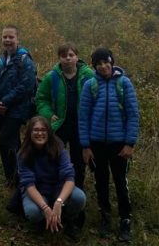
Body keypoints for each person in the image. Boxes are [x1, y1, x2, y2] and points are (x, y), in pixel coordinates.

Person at [79, 47, 139, 242]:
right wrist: (85, 146)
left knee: (121, 182)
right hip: (96, 144)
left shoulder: (124, 83)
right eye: (99, 63)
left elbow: (133, 115)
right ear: (94, 66)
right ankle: (105, 217)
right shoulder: (90, 85)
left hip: (119, 144)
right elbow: (83, 116)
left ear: (112, 62)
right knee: (101, 181)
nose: (103, 66)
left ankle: (125, 220)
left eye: (106, 62)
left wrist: (129, 143)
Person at [34, 43, 95, 228]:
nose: (67, 58)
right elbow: (41, 98)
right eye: (63, 55)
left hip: (80, 127)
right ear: (59, 58)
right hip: (59, 126)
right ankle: (54, 196)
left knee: (79, 163)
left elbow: (97, 98)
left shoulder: (88, 76)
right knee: (54, 159)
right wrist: (48, 114)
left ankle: (76, 203)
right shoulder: (52, 77)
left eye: (71, 55)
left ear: (77, 56)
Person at [17, 116, 86, 240]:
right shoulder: (23, 153)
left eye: (43, 130)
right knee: (33, 212)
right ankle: (44, 221)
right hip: (37, 191)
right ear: (29, 133)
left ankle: (66, 219)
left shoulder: (59, 148)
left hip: (58, 188)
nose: (40, 133)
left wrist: (59, 202)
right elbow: (29, 184)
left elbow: (69, 178)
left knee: (79, 197)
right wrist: (45, 208)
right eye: (36, 130)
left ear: (49, 132)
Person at [0, 24, 36, 187]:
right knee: (13, 143)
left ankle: (13, 179)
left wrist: (5, 102)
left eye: (11, 37)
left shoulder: (24, 59)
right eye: (5, 37)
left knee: (5, 141)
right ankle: (18, 177)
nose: (7, 40)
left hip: (17, 110)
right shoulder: (2, 60)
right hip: (1, 109)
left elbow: (26, 86)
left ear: (17, 39)